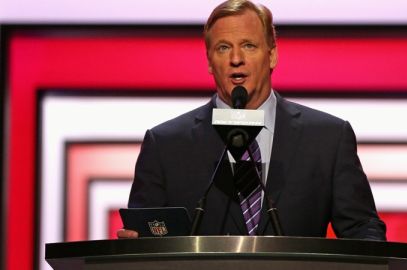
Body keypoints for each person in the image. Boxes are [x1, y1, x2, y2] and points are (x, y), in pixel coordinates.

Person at [118, 0, 386, 240]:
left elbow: (362, 228)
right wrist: (133, 249)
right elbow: (145, 234)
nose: (236, 59)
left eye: (249, 45)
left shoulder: (328, 138)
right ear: (209, 61)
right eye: (223, 48)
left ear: (272, 55)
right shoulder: (165, 145)